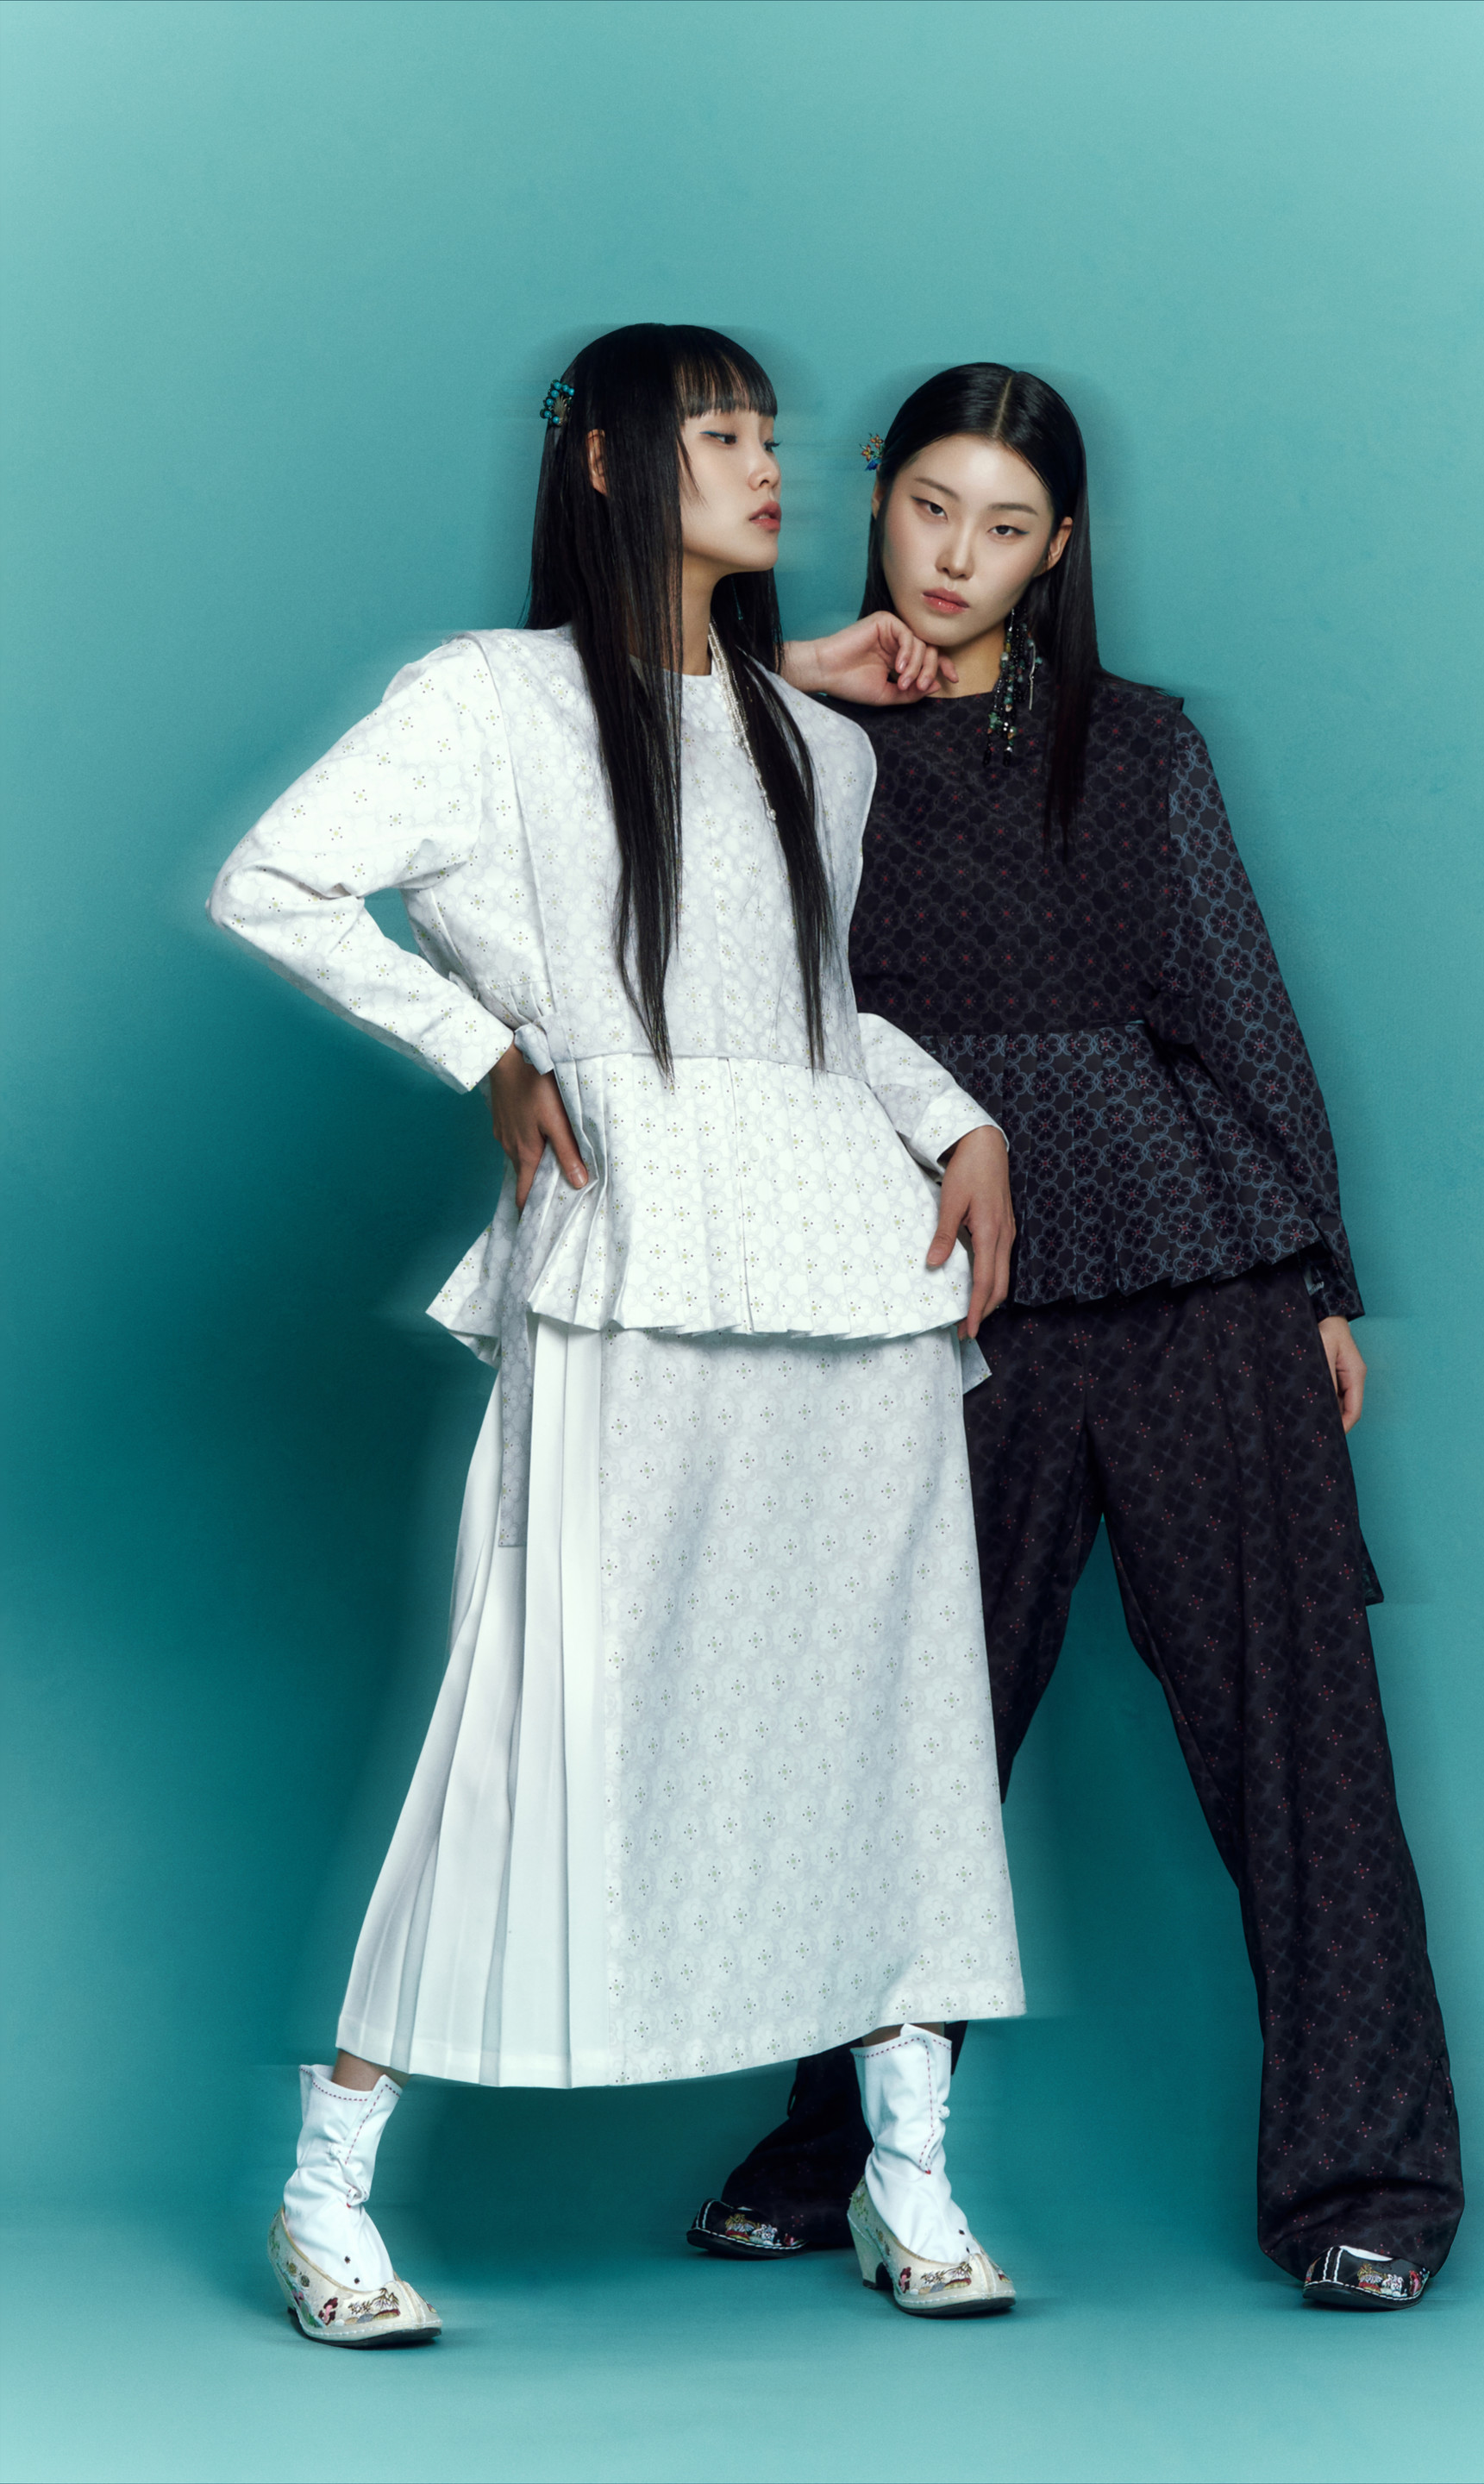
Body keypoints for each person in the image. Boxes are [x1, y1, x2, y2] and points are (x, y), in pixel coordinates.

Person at [210, 326, 1027, 2343]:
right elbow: (276, 880)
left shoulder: (820, 746)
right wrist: (483, 1045)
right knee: (539, 1712)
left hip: (852, 1273)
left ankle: (909, 2180)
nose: (767, 464)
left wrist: (960, 1121)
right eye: (719, 431)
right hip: (631, 1254)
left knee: (890, 1717)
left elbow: (803, 1016)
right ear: (603, 463)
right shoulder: (487, 701)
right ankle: (327, 2193)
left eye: (770, 433)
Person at [694, 363, 1464, 2313]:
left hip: (1199, 1268)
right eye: (930, 506)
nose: (958, 557)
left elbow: (1235, 1002)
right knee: (900, 1739)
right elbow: (623, 790)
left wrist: (1316, 1278)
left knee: (1302, 1743)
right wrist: (782, 678)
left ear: (1060, 551)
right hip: (943, 1281)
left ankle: (1374, 2188)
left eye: (1007, 526)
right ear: (876, 500)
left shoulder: (1137, 744)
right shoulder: (771, 734)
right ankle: (830, 2154)